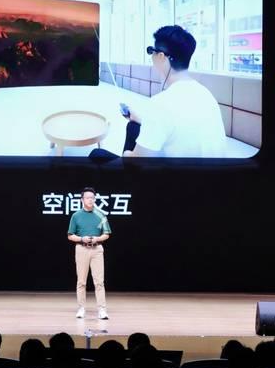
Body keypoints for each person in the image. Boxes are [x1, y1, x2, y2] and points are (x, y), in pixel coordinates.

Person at [120, 25, 227, 157]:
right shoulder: (206, 94)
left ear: (161, 56)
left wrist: (126, 154)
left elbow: (137, 162)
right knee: (133, 127)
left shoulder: (161, 103)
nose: (151, 56)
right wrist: (142, 120)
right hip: (213, 169)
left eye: (151, 51)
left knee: (99, 154)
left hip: (176, 170)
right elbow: (182, 127)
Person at [67, 186, 111, 320]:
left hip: (97, 249)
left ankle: (102, 310)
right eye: (87, 198)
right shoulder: (76, 215)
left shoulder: (101, 215)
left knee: (99, 282)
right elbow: (70, 235)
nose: (90, 200)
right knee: (81, 281)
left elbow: (107, 234)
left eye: (92, 197)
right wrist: (82, 239)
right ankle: (81, 308)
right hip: (82, 248)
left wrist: (97, 238)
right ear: (82, 200)